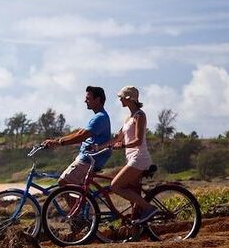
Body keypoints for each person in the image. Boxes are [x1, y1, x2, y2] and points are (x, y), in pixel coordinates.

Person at [98, 86, 156, 222]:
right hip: (131, 157)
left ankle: (149, 208)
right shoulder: (128, 118)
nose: (120, 99)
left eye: (122, 97)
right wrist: (98, 147)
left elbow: (138, 140)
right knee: (133, 197)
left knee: (115, 186)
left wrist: (123, 145)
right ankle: (137, 230)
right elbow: (116, 138)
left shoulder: (140, 116)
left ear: (129, 98)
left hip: (139, 158)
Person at [43, 86, 112, 185]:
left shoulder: (100, 117)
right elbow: (79, 133)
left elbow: (82, 136)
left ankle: (81, 201)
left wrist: (58, 143)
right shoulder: (99, 116)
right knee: (76, 190)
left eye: (88, 98)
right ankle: (83, 200)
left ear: (98, 99)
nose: (85, 101)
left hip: (88, 159)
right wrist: (57, 141)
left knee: (63, 183)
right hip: (87, 158)